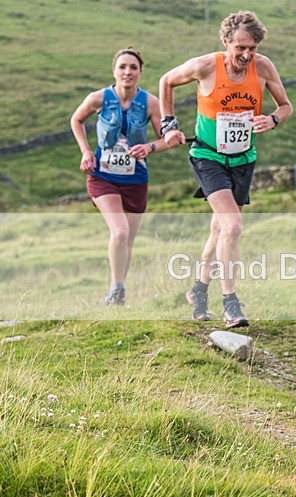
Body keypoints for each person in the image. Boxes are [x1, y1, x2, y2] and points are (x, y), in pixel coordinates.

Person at [159, 10, 292, 328]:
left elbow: (285, 107)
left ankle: (198, 292)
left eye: (253, 49)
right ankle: (230, 302)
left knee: (220, 230)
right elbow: (166, 81)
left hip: (243, 160)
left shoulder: (263, 67)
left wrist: (272, 119)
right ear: (225, 42)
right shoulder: (205, 66)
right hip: (207, 156)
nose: (247, 55)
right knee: (232, 227)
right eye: (240, 48)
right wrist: (168, 125)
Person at [71, 47, 173, 306]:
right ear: (114, 71)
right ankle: (116, 289)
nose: (127, 72)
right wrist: (85, 152)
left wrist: (149, 147)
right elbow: (76, 120)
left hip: (136, 178)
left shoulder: (150, 103)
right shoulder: (98, 98)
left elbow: (167, 140)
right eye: (122, 67)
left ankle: (119, 290)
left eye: (133, 67)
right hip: (102, 176)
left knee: (128, 239)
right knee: (119, 232)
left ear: (140, 72)